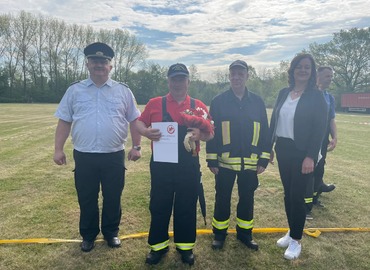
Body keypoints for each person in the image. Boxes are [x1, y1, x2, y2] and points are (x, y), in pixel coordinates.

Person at [53, 42, 142, 252]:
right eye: (94, 61)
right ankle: (89, 235)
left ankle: (111, 232)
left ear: (111, 66)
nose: (99, 64)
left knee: (113, 196)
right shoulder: (74, 90)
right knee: (86, 197)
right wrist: (58, 149)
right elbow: (64, 121)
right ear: (87, 64)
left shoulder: (123, 91)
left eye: (104, 61)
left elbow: (134, 120)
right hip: (84, 155)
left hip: (113, 155)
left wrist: (137, 146)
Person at [134, 63, 214, 266]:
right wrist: (145, 132)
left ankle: (185, 247)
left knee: (186, 205)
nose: (178, 83)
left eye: (182, 78)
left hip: (189, 165)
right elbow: (138, 122)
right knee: (159, 204)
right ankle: (158, 247)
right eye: (174, 78)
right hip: (161, 166)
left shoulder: (199, 106)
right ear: (168, 81)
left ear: (188, 81)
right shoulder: (154, 103)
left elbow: (210, 133)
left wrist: (200, 135)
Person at [206, 60, 270, 251]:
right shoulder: (218, 101)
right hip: (224, 163)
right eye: (233, 74)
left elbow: (265, 131)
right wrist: (211, 158)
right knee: (222, 198)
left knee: (247, 199)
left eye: (240, 74)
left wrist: (264, 158)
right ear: (229, 76)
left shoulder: (257, 102)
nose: (236, 77)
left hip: (250, 163)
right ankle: (219, 235)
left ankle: (245, 234)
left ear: (247, 76)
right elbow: (211, 131)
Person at [269, 53, 328, 260]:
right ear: (292, 70)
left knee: (297, 195)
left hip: (303, 153)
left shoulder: (316, 96)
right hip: (283, 149)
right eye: (299, 67)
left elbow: (319, 129)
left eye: (307, 67)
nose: (303, 70)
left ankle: (296, 240)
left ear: (311, 72)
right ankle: (292, 230)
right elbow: (274, 121)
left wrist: (311, 156)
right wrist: (269, 146)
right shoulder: (283, 93)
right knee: (287, 194)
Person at [313, 66, 337, 204]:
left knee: (320, 165)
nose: (330, 79)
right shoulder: (308, 94)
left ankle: (316, 191)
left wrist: (334, 137)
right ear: (318, 77)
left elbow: (331, 119)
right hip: (308, 138)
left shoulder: (329, 97)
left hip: (322, 139)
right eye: (327, 76)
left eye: (331, 77)